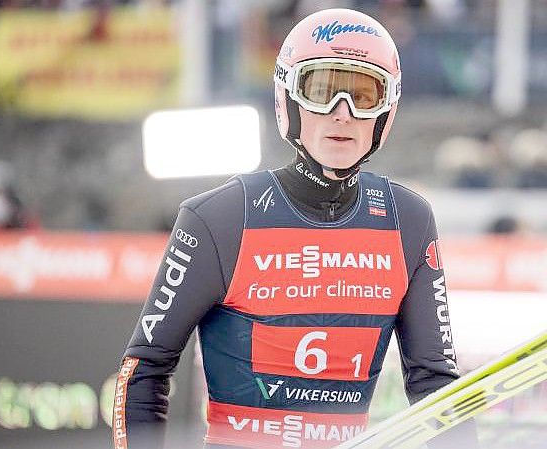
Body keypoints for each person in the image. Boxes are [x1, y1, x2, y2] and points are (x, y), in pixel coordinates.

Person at [113, 8, 476, 449]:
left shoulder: (410, 222)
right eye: (321, 90)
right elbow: (145, 370)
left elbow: (435, 382)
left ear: (387, 110)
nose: (341, 114)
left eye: (363, 95)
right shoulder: (220, 218)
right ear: (288, 98)